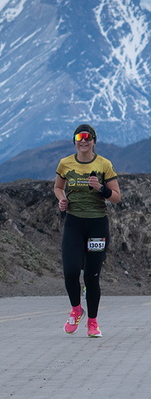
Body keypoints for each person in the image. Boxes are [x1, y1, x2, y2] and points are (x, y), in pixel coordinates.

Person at [53, 123, 121, 338]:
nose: (83, 141)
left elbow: (117, 197)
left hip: (97, 224)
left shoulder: (104, 164)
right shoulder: (65, 163)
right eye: (79, 138)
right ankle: (76, 310)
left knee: (92, 276)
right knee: (71, 272)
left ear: (94, 141)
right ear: (74, 141)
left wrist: (101, 188)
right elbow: (58, 187)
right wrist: (62, 200)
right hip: (74, 223)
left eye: (87, 138)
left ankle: (93, 323)